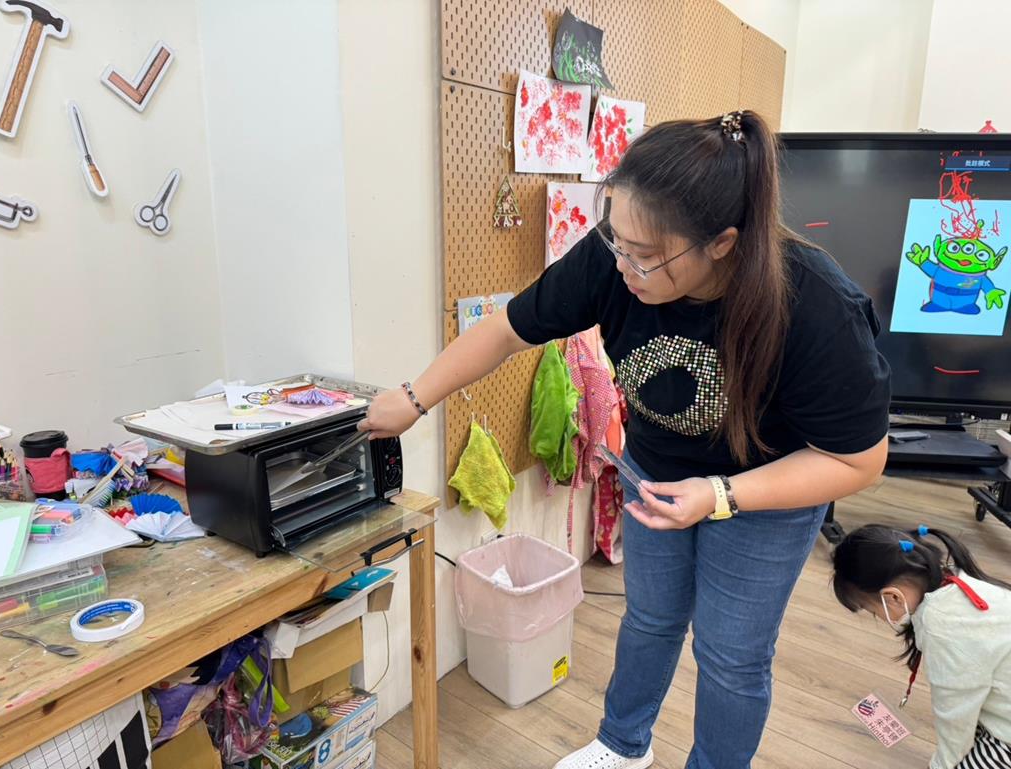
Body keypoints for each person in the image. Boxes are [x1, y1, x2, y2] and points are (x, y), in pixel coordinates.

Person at [359, 110, 891, 769]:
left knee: (730, 655)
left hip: (765, 493)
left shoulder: (814, 304)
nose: (624, 266)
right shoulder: (614, 259)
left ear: (721, 243)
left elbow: (859, 459)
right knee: (649, 618)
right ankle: (623, 744)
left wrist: (720, 495)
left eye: (645, 255)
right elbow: (504, 330)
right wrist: (413, 399)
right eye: (616, 239)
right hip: (654, 471)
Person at [833, 524, 1011, 768]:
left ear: (893, 597)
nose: (879, 617)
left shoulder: (943, 631)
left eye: (872, 610)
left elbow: (955, 720)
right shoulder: (957, 580)